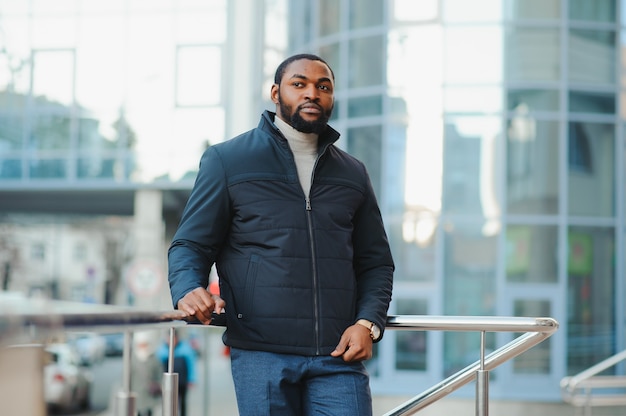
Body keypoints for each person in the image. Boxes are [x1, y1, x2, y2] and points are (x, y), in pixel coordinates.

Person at [168, 53, 394, 415]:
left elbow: (376, 263)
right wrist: (186, 288)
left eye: (324, 87)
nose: (312, 93)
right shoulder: (228, 160)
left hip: (338, 354)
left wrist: (368, 324)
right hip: (261, 354)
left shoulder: (353, 172)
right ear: (276, 93)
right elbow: (190, 244)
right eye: (299, 84)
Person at [156, 329, 197, 416]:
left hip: (182, 381)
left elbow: (191, 365)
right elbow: (158, 366)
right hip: (167, 383)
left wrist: (192, 379)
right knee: (169, 401)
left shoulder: (185, 349)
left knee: (182, 403)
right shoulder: (162, 350)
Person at [130, 331, 162, 416]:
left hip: (150, 392)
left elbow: (159, 373)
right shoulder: (133, 359)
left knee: (149, 411)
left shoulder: (153, 358)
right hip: (137, 391)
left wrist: (158, 384)